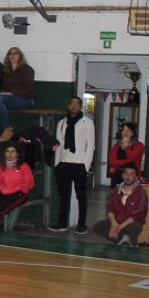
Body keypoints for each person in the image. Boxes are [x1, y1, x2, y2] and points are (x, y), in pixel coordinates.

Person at [49, 96, 95, 234]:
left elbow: (90, 145)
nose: (74, 106)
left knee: (81, 195)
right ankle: (62, 222)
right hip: (63, 163)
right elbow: (58, 144)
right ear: (68, 106)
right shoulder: (62, 123)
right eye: (71, 103)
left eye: (77, 104)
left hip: (79, 164)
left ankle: (81, 224)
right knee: (64, 195)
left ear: (81, 106)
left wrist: (86, 165)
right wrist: (57, 164)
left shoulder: (87, 123)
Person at [0, 46, 35, 143]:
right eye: (10, 54)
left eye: (15, 53)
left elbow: (28, 90)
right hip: (8, 99)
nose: (12, 56)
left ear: (20, 56)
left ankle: (7, 129)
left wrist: (11, 93)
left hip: (25, 100)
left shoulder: (27, 69)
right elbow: (2, 87)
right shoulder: (6, 70)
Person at [92, 163, 148, 247]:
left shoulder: (141, 192)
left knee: (135, 227)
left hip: (131, 223)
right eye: (125, 173)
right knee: (97, 227)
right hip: (117, 222)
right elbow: (110, 209)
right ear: (122, 175)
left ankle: (131, 243)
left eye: (131, 174)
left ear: (136, 178)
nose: (128, 176)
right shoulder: (116, 191)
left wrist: (120, 227)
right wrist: (114, 223)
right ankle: (121, 240)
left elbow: (138, 213)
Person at [107, 122, 144, 188]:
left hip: (132, 176)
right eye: (123, 130)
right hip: (118, 174)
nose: (125, 132)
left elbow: (132, 158)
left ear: (133, 133)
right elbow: (112, 162)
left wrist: (127, 146)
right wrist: (127, 160)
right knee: (116, 196)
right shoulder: (117, 145)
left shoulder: (139, 145)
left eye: (128, 130)